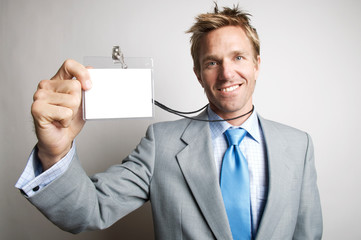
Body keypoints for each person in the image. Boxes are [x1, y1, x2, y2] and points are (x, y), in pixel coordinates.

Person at [16, 4, 322, 240]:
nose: (227, 73)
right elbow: (88, 210)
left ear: (257, 64)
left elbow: (309, 234)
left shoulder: (298, 146)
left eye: (239, 57)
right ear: (198, 74)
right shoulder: (161, 144)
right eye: (212, 62)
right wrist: (54, 152)